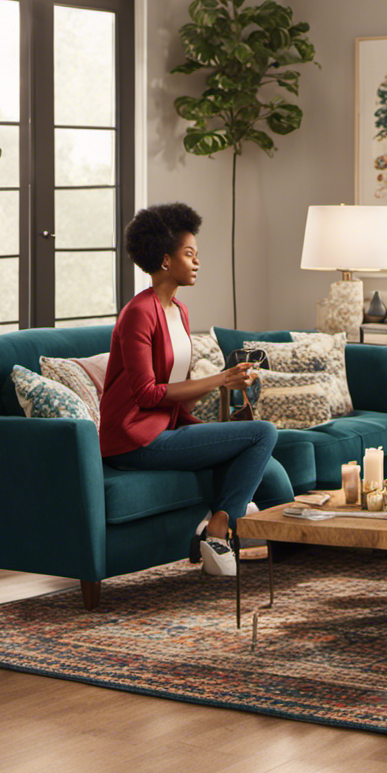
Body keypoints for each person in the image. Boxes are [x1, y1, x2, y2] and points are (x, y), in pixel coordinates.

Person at [99, 202, 285, 576]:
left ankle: (290, 550)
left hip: (168, 427)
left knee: (266, 460)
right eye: (189, 254)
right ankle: (219, 529)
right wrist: (221, 378)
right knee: (263, 433)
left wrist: (227, 382)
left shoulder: (178, 311)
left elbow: (177, 387)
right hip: (135, 441)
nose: (197, 262)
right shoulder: (138, 312)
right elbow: (147, 395)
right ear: (166, 260)